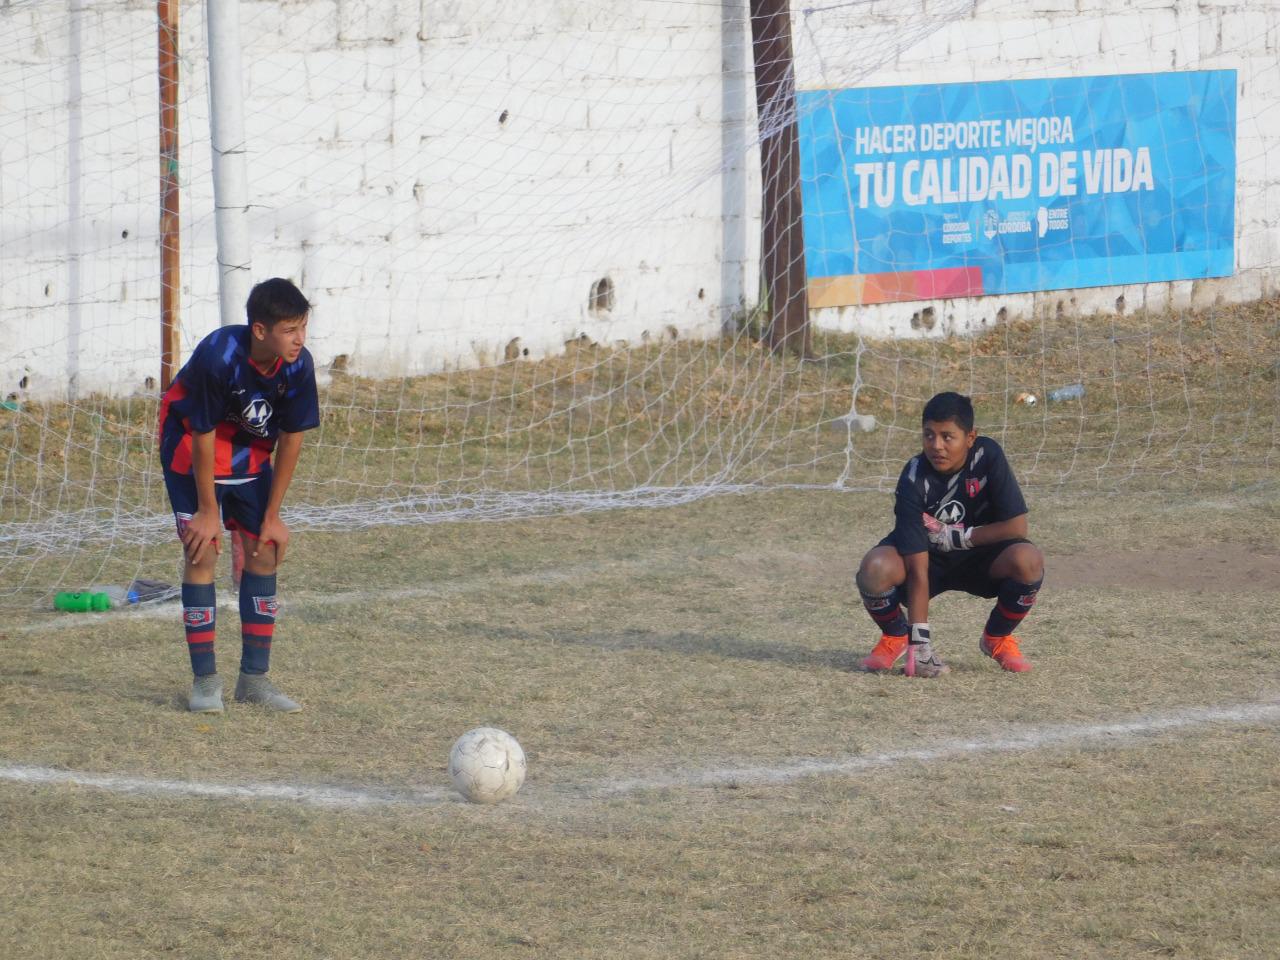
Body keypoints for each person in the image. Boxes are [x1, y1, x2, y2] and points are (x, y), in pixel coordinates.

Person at [158, 278, 320, 712]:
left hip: (249, 455)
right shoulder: (219, 355)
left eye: (303, 327)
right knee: (202, 551)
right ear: (260, 330)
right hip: (191, 448)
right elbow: (203, 431)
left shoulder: (298, 365)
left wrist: (274, 515)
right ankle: (205, 682)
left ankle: (254, 680)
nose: (299, 339)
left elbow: (291, 438)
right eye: (290, 329)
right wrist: (208, 510)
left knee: (264, 549)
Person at [855, 391, 1044, 677]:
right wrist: (921, 644)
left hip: (981, 558)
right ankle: (897, 638)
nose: (937, 445)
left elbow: (1017, 527)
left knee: (1028, 560)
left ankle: (997, 637)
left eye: (947, 436)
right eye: (928, 435)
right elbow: (918, 569)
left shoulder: (987, 455)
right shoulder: (913, 476)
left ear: (970, 437)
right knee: (875, 567)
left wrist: (959, 537)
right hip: (928, 560)